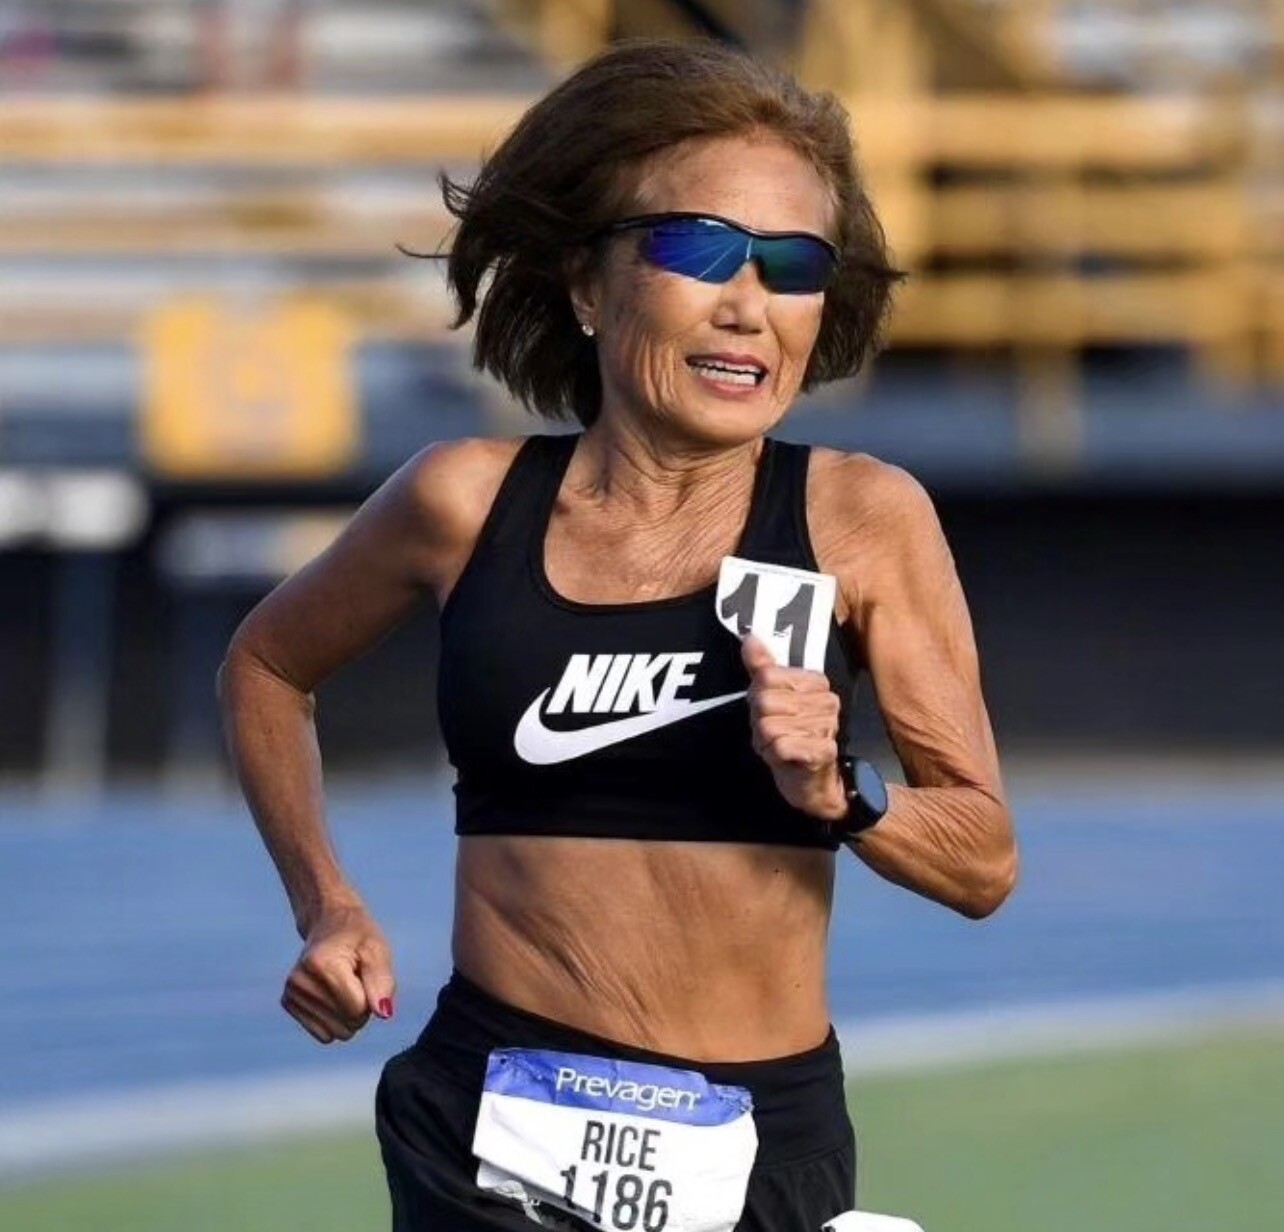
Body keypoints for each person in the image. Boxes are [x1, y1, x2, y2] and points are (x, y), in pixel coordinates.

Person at [218, 38, 1018, 1232]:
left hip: (757, 1138)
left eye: (792, 264)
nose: (747, 303)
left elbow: (983, 859)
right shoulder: (461, 501)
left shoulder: (862, 518)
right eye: (698, 249)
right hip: (492, 1120)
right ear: (588, 287)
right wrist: (325, 900)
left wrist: (842, 789)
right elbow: (266, 664)